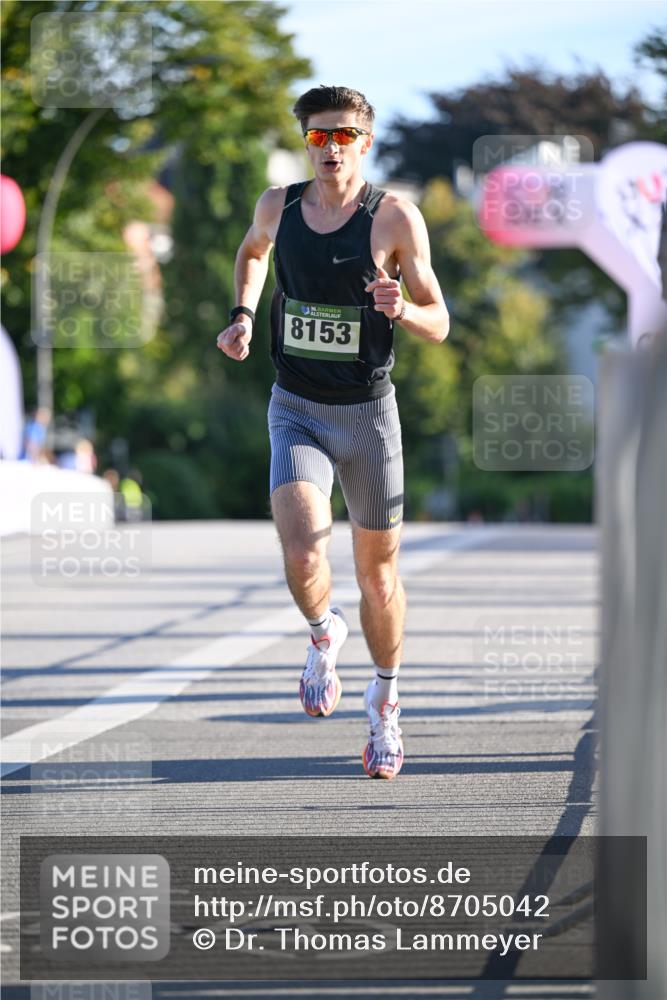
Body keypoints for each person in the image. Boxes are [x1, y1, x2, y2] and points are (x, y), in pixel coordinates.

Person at [217, 85, 449, 779]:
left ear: (364, 143)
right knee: (301, 548)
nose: (329, 147)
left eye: (342, 135)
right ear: (305, 142)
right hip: (296, 406)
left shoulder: (394, 220)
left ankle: (384, 701)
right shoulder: (277, 206)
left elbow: (440, 321)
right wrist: (242, 315)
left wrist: (403, 310)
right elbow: (253, 254)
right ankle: (323, 635)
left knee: (377, 579)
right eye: (317, 136)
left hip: (370, 417)